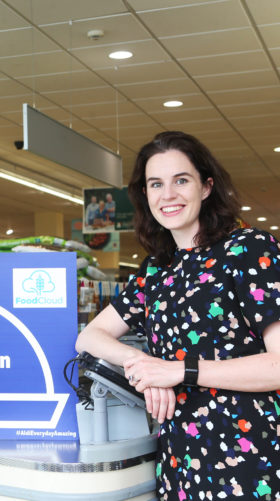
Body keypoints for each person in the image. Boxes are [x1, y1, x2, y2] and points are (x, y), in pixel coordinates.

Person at [75, 131, 280, 499]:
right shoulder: (157, 270)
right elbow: (90, 336)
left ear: (206, 187)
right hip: (179, 458)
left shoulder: (250, 249)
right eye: (156, 184)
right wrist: (144, 364)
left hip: (252, 455)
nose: (167, 195)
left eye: (181, 180)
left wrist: (179, 370)